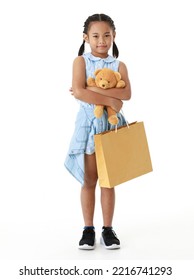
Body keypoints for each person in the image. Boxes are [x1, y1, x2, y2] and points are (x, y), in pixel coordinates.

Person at [64, 13, 131, 250]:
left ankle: (108, 229)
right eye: (95, 36)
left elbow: (126, 95)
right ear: (85, 37)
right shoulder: (80, 62)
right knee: (90, 179)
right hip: (88, 125)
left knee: (109, 180)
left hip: (111, 126)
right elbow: (80, 93)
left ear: (114, 36)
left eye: (106, 35)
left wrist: (92, 90)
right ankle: (88, 229)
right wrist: (110, 100)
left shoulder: (119, 65)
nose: (101, 41)